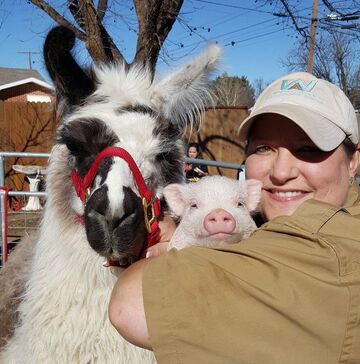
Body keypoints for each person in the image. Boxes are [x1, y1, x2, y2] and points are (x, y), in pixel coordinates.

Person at [108, 72, 360, 363]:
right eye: (263, 148)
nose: (281, 172)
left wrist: (178, 249)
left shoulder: (333, 254)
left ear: (353, 160)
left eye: (309, 149)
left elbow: (130, 305)